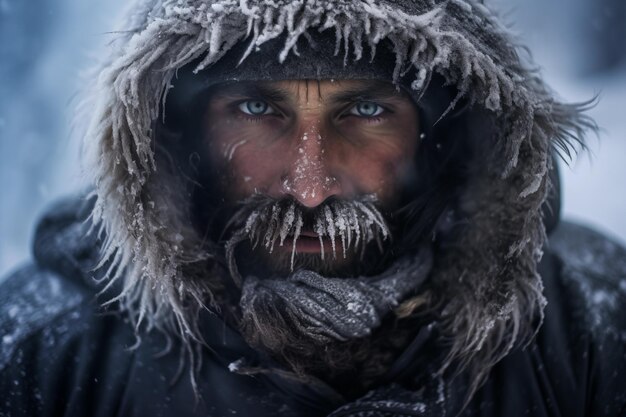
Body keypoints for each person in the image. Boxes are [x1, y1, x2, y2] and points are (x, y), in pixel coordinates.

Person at [1, 0, 625, 416]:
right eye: (256, 110)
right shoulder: (51, 346)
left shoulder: (586, 325)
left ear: (443, 140)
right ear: (182, 136)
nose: (308, 186)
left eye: (365, 110)